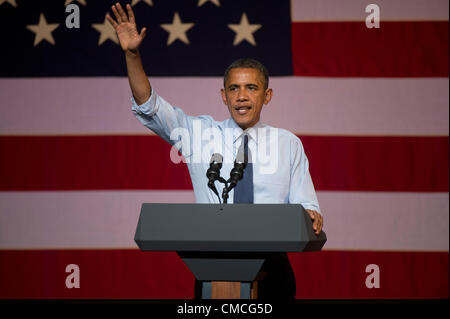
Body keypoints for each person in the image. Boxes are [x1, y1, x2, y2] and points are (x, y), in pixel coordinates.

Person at [107, 2, 323, 299]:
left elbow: (307, 206)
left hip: (273, 270)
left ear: (267, 95)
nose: (242, 96)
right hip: (213, 269)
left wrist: (311, 214)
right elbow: (150, 108)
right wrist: (132, 55)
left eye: (251, 88)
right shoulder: (199, 134)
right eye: (234, 88)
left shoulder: (288, 143)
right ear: (224, 96)